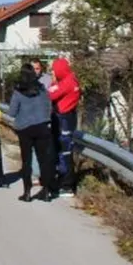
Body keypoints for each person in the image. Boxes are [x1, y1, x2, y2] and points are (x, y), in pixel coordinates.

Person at [4, 63, 57, 201]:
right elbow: (49, 107)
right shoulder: (42, 89)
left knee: (26, 161)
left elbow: (12, 112)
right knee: (43, 160)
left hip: (25, 129)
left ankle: (27, 192)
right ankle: (46, 191)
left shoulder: (18, 91)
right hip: (42, 127)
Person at [48, 57, 82, 196]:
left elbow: (49, 94)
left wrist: (53, 82)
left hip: (64, 119)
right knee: (62, 151)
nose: (52, 72)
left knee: (64, 152)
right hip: (67, 117)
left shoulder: (66, 82)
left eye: (53, 70)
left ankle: (66, 185)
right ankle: (63, 181)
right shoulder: (72, 79)